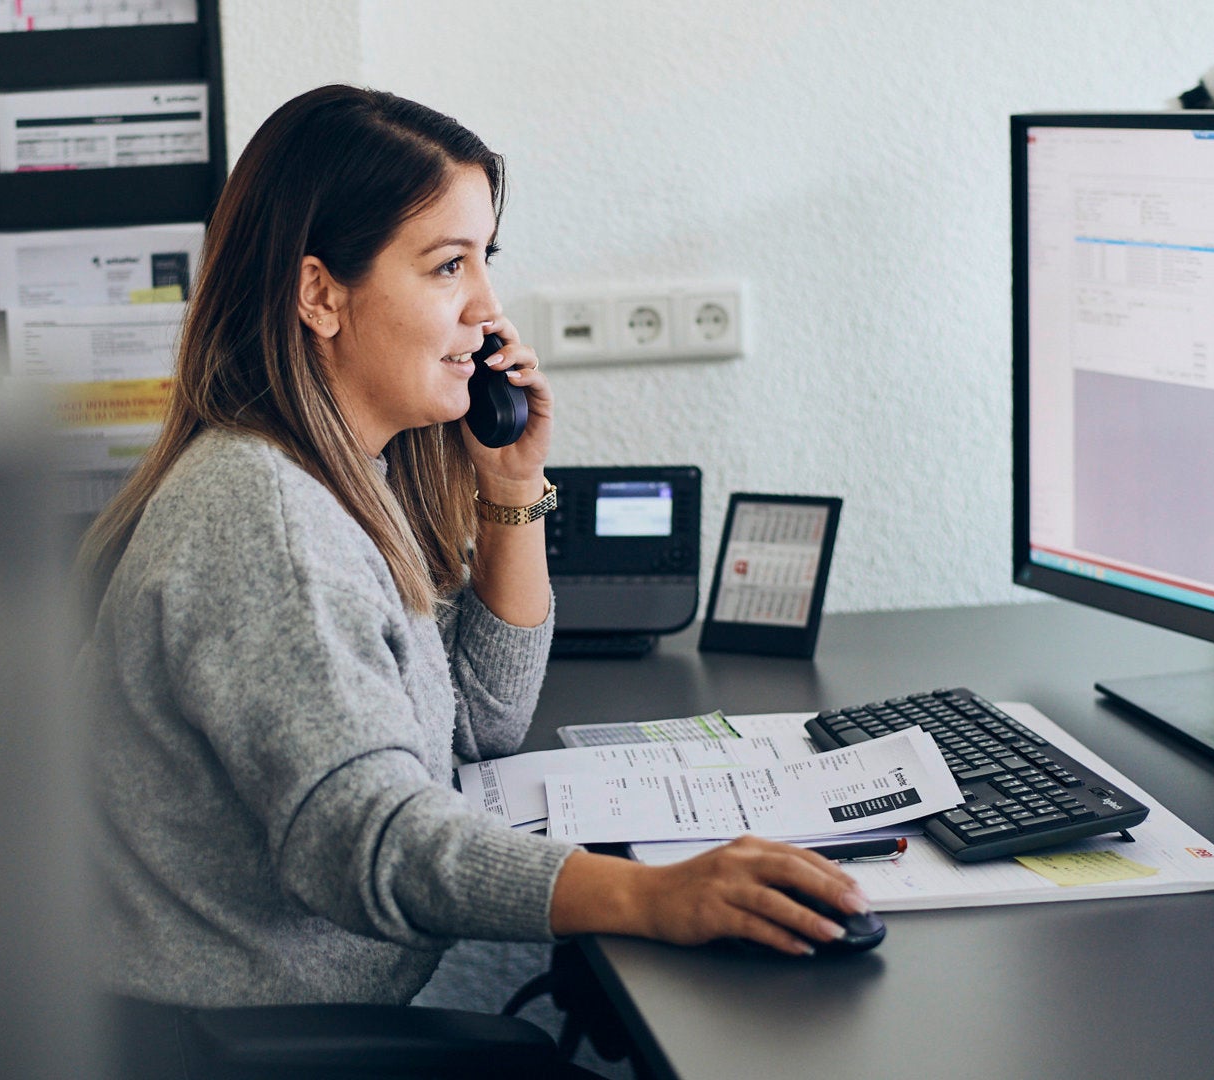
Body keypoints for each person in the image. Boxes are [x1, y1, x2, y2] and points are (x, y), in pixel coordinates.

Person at [76, 85, 869, 1017]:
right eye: (449, 266)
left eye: (484, 260)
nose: (489, 309)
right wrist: (650, 895)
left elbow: (475, 724)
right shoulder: (267, 521)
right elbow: (369, 840)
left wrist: (510, 490)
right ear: (320, 295)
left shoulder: (343, 479)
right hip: (237, 1047)